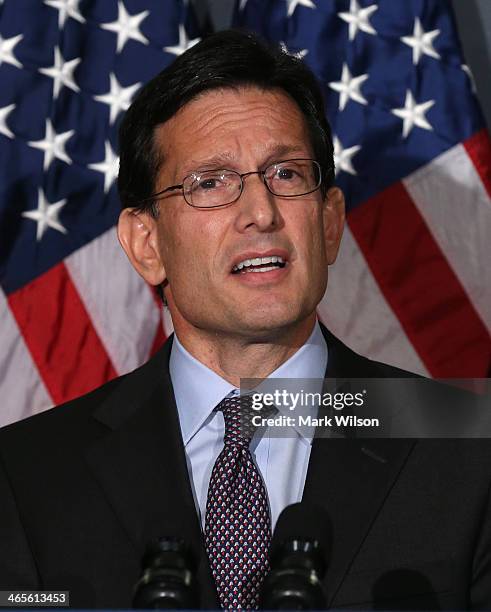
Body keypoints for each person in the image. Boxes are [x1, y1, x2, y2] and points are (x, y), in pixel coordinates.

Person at [1, 29, 490, 610]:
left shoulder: (469, 445)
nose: (260, 213)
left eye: (285, 175)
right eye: (211, 183)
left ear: (329, 223)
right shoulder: (26, 473)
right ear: (146, 243)